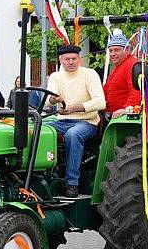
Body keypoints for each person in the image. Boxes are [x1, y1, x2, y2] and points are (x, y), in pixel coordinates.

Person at [45, 44, 106, 198]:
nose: (71, 62)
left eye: (74, 59)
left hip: (86, 122)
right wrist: (53, 99)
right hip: (61, 121)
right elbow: (48, 100)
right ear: (61, 60)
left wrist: (76, 108)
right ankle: (42, 175)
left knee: (74, 134)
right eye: (67, 59)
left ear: (79, 59)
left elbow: (100, 102)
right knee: (38, 129)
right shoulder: (55, 77)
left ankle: (72, 183)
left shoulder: (89, 74)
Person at [102, 33, 147, 118]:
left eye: (117, 50)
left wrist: (126, 109)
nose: (112, 54)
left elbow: (136, 91)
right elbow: (104, 91)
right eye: (110, 51)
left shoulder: (132, 65)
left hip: (121, 116)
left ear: (127, 50)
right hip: (109, 113)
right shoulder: (118, 67)